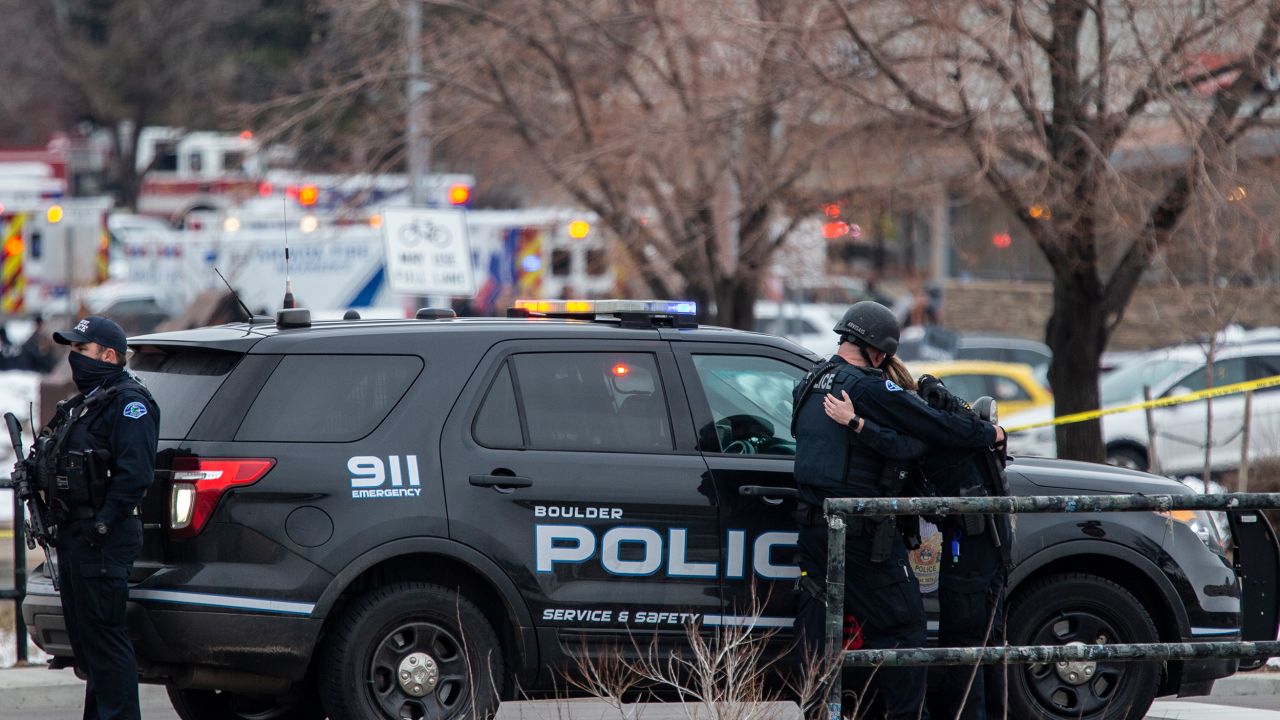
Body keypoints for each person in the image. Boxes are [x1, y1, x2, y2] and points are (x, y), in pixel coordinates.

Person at [790, 301, 1003, 719]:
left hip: (814, 529)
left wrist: (863, 427)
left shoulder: (810, 381)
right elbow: (934, 427)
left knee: (820, 630)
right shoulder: (869, 387)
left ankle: (820, 712)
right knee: (903, 628)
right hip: (861, 534)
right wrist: (988, 432)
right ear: (879, 350)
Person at [826, 359, 1012, 719]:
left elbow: (909, 447)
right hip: (979, 539)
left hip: (974, 541)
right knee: (978, 642)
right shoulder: (929, 408)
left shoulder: (922, 413)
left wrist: (856, 422)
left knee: (966, 642)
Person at [44, 315, 160, 720]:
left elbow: (135, 473)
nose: (74, 357)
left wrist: (103, 523)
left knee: (106, 642)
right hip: (77, 533)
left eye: (81, 349)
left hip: (104, 535)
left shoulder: (129, 403)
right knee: (89, 643)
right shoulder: (86, 404)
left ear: (108, 355)